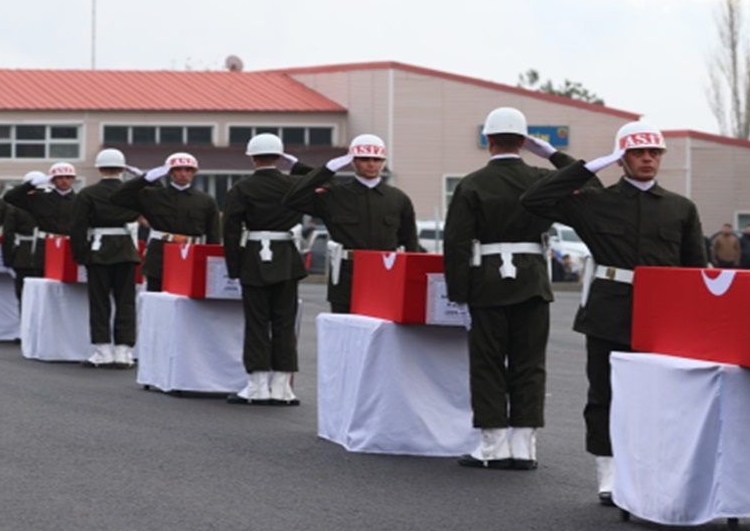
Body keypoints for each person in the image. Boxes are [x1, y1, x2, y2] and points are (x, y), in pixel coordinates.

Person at [523, 120, 706, 503]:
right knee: (605, 392)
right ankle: (608, 471)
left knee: (661, 397)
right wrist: (586, 166)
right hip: (610, 308)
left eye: (654, 153)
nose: (647, 159)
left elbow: (695, 270)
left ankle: (654, 470)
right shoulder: (595, 201)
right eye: (638, 152)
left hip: (662, 313)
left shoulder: (680, 208)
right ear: (621, 159)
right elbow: (535, 199)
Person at [442, 107, 579, 472]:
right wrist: (551, 154)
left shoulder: (471, 184)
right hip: (533, 281)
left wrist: (458, 291)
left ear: (488, 140)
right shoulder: (540, 178)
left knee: (487, 364)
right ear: (523, 141)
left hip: (486, 283)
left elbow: (455, 241)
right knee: (529, 363)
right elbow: (589, 184)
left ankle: (493, 445)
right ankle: (524, 445)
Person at [221, 134, 312, 405]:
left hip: (254, 260)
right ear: (280, 156)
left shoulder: (242, 188)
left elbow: (231, 230)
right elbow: (325, 182)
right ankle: (282, 387)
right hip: (286, 258)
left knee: (257, 322)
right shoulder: (295, 184)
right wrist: (298, 167)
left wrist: (233, 268)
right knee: (285, 323)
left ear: (252, 157)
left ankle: (257, 385)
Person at [283, 134, 421, 313]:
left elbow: (409, 242)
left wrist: (412, 283)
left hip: (385, 275)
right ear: (352, 162)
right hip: (347, 276)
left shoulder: (398, 199)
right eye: (364, 159)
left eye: (377, 159)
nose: (371, 164)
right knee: (344, 334)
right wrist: (327, 169)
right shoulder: (335, 195)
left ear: (383, 161)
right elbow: (292, 199)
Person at [70, 148, 143, 369]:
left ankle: (102, 350)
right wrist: (140, 177)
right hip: (126, 250)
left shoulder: (87, 193)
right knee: (126, 301)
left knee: (99, 302)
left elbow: (78, 227)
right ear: (123, 168)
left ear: (99, 168)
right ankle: (124, 350)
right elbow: (155, 196)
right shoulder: (133, 193)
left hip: (98, 250)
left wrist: (80, 255)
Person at [111, 152, 221, 293]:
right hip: (160, 255)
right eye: (178, 169)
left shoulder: (206, 200)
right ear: (170, 172)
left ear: (193, 172)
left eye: (188, 170)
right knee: (156, 298)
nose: (183, 174)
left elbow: (213, 235)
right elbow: (117, 197)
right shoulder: (153, 195)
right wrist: (144, 180)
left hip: (190, 254)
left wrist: (210, 263)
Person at [3, 162, 77, 301]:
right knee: (42, 286)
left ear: (73, 179)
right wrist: (31, 184)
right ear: (53, 179)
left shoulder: (80, 200)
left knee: (67, 288)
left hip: (69, 246)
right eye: (60, 177)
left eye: (68, 177)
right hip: (45, 246)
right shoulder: (40, 198)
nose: (64, 181)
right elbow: (10, 197)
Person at [2, 171, 41, 300]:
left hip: (25, 254)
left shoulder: (14, 208)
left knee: (24, 292)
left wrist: (7, 258)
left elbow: (8, 234)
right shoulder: (16, 207)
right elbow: (8, 234)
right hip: (25, 254)